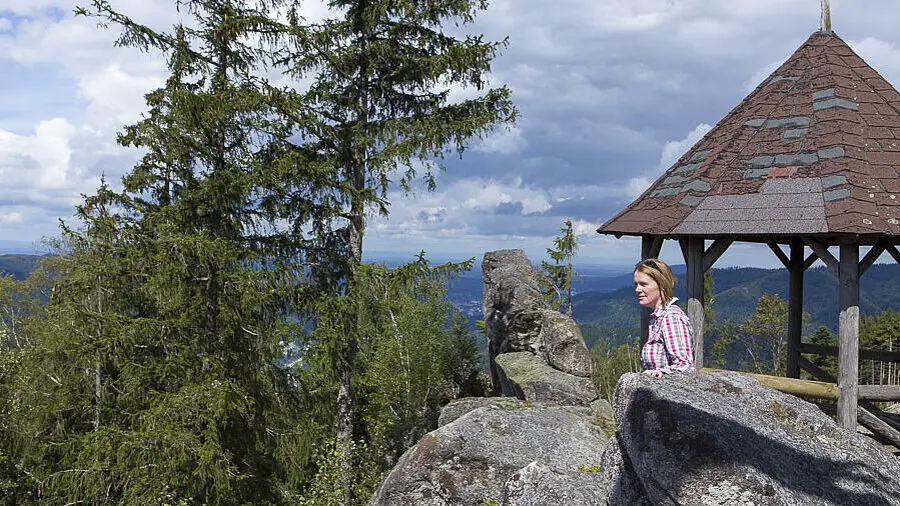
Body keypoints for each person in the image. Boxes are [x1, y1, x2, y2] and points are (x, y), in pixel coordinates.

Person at [633, 258, 695, 377]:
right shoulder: (657, 318)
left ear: (661, 285)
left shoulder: (671, 318)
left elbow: (685, 366)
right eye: (636, 284)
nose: (637, 289)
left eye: (644, 284)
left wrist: (661, 372)